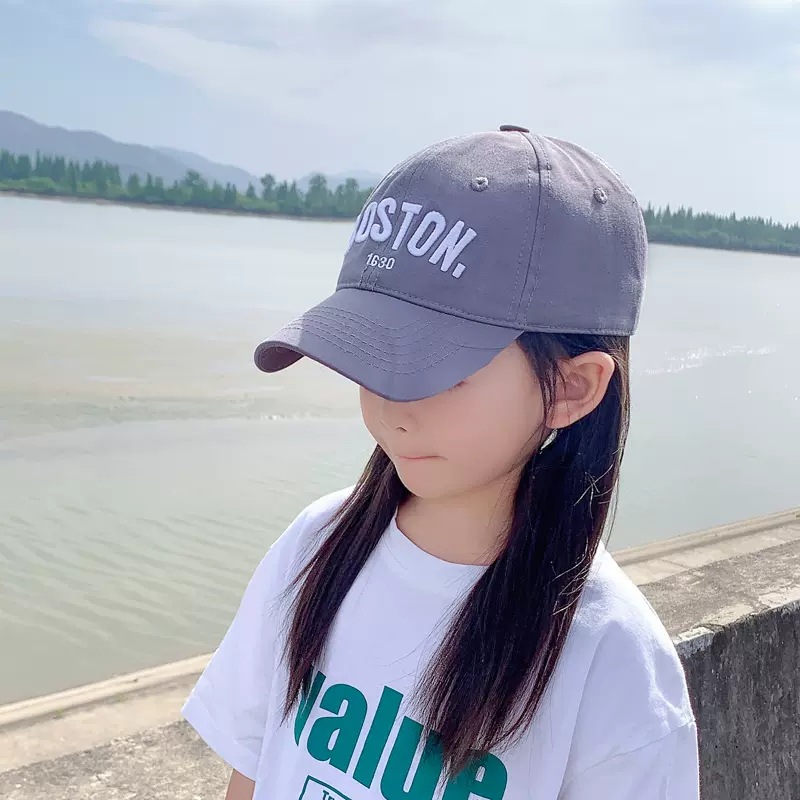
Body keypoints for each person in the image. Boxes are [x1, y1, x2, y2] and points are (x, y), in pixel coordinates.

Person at [181, 125, 700, 800]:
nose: (392, 408)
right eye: (369, 355)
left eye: (439, 369)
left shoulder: (614, 664)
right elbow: (251, 772)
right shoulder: (314, 546)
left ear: (571, 388)